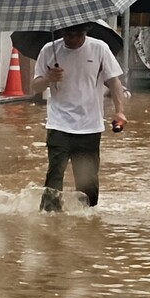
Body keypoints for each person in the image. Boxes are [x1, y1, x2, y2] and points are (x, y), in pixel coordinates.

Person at [31, 22, 126, 212]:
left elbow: (114, 82)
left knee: (88, 180)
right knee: (55, 174)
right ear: (62, 32)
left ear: (86, 32)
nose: (73, 39)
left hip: (90, 126)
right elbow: (35, 86)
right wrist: (49, 78)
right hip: (59, 124)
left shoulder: (99, 49)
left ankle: (88, 218)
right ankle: (50, 218)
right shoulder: (49, 50)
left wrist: (119, 111)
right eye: (69, 35)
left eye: (78, 35)